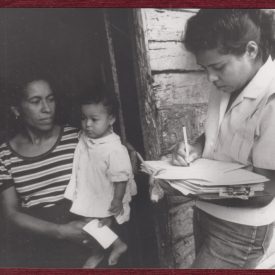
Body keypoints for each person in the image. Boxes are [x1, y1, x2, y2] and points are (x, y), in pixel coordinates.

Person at [171, 9, 275, 268]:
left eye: (218, 67)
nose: (210, 78)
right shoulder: (227, 83)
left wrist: (188, 188)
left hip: (240, 229)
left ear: (251, 50)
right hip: (207, 214)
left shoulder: (271, 100)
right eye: (204, 68)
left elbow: (265, 191)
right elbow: (222, 131)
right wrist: (194, 146)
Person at [0, 75, 99, 268]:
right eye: (36, 101)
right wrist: (60, 231)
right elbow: (11, 213)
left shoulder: (77, 138)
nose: (47, 109)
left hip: (86, 234)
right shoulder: (4, 155)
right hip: (40, 241)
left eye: (50, 99)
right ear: (16, 109)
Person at [64, 87, 137, 266]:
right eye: (83, 118)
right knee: (93, 225)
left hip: (106, 195)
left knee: (91, 223)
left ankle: (116, 246)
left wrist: (118, 200)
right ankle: (101, 250)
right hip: (92, 191)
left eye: (94, 119)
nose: (87, 124)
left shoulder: (114, 148)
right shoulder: (87, 136)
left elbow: (121, 177)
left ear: (111, 119)